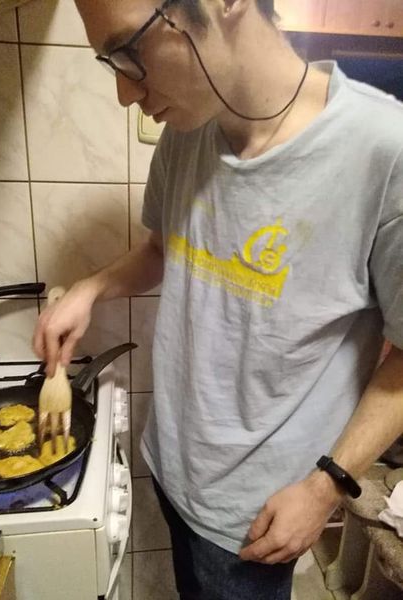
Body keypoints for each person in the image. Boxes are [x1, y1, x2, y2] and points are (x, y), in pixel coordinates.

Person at [33, 1, 403, 598]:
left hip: (259, 514)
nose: (125, 94)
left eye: (130, 50)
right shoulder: (188, 128)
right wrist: (89, 289)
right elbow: (163, 249)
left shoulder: (386, 151)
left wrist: (326, 486)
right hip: (173, 466)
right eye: (110, 63)